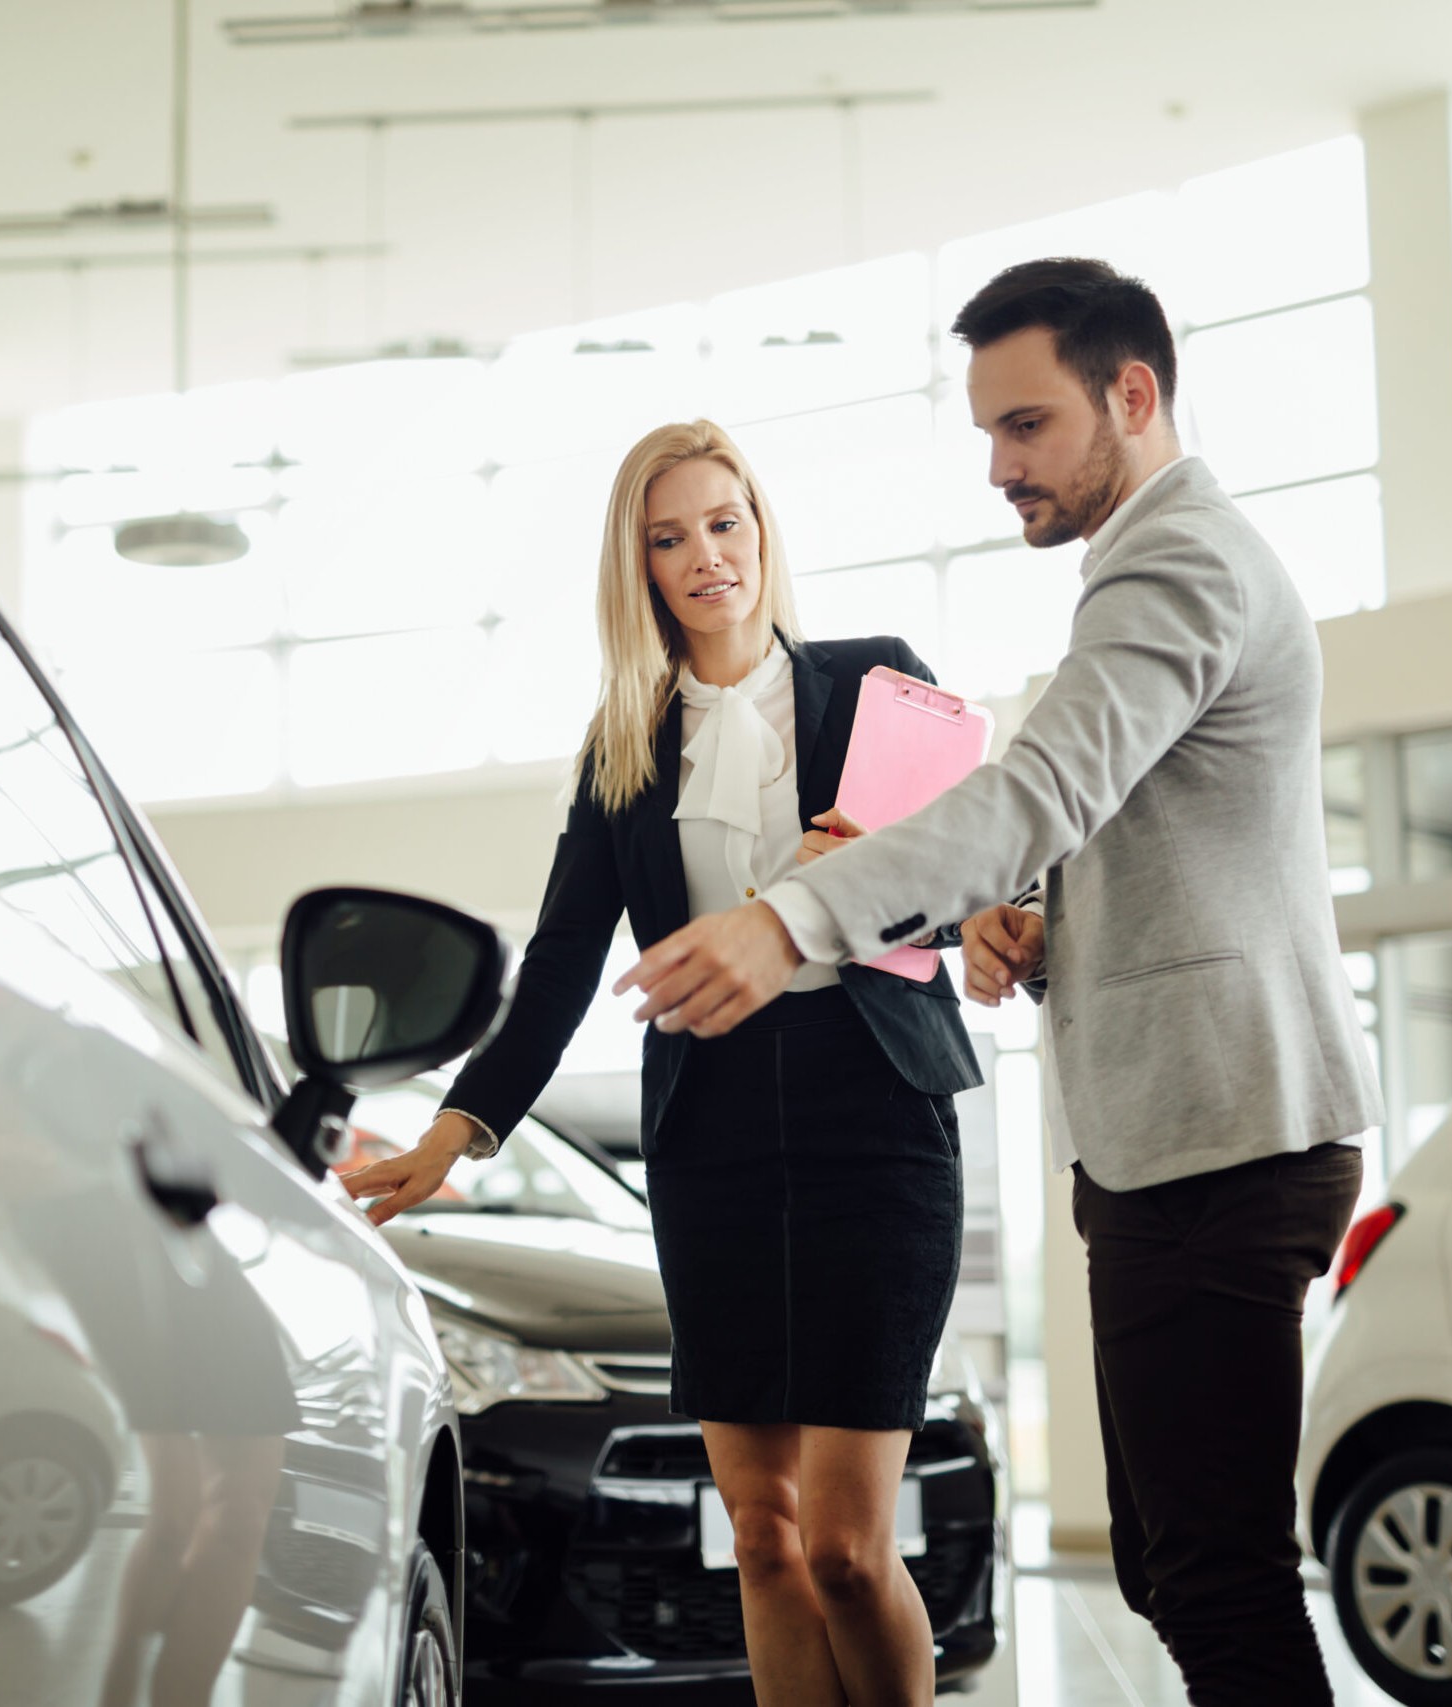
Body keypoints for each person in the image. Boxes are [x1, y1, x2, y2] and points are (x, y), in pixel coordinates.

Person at [617, 259, 1383, 1707]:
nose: (998, 468)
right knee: (1173, 1568)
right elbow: (1105, 824)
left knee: (1212, 1580)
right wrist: (1030, 918)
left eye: (1025, 427)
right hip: (1176, 1136)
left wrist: (791, 918)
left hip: (1228, 1132)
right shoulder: (1149, 566)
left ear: (1133, 394)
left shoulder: (1181, 561)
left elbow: (1041, 786)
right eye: (986, 433)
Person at [342, 418, 983, 1707]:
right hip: (717, 1137)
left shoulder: (874, 684)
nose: (707, 556)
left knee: (853, 1548)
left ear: (761, 529)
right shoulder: (623, 747)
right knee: (763, 1538)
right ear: (639, 568)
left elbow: (969, 884)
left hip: (876, 1116)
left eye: (724, 523)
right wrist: (453, 1131)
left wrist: (915, 879)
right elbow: (563, 963)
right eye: (670, 537)